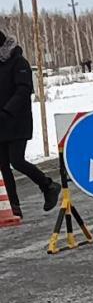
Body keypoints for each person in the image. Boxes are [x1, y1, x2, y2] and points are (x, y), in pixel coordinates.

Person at [0, 29, 60, 217]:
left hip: (17, 121)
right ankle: (13, 207)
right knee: (3, 165)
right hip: (1, 123)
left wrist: (7, 111)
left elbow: (24, 90)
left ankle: (48, 186)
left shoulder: (19, 62)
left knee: (17, 161)